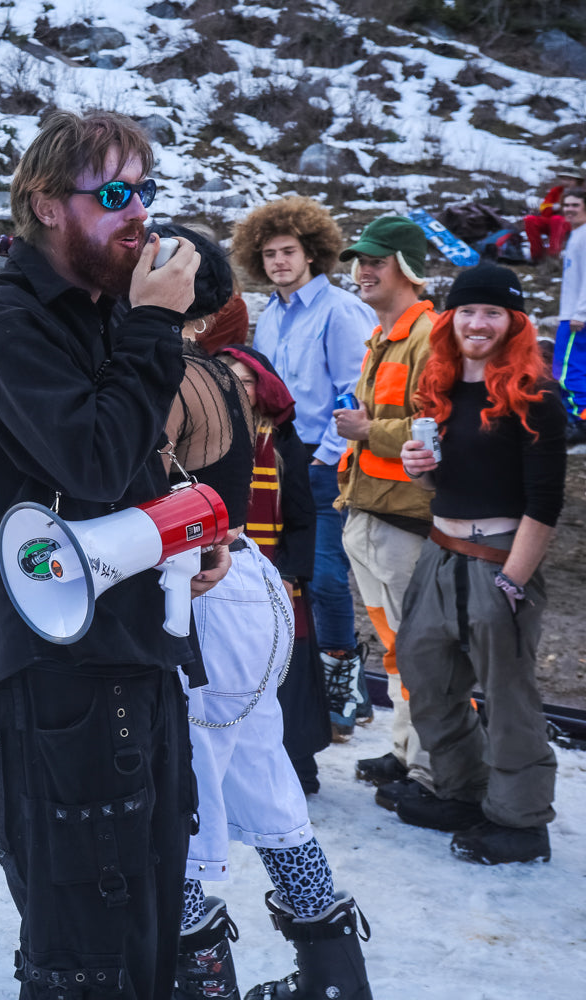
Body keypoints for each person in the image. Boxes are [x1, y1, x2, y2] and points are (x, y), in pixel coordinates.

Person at [0, 109, 227, 1000]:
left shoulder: (109, 314)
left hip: (131, 652)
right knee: (84, 953)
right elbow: (91, 455)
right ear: (46, 205)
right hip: (49, 676)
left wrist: (178, 540)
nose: (138, 212)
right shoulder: (3, 321)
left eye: (146, 190)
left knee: (145, 925)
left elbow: (121, 477)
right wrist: (153, 327)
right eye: (113, 194)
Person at [158, 223, 372, 1000]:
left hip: (205, 595)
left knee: (181, 797)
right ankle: (334, 975)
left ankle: (199, 981)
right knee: (262, 779)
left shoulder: (179, 376)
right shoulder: (219, 375)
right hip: (242, 584)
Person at [395, 263, 565, 866]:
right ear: (451, 319)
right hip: (439, 556)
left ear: (514, 323)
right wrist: (423, 467)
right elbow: (452, 476)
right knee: (428, 680)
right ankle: (465, 791)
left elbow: (546, 505)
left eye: (493, 312)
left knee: (508, 695)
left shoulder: (537, 397)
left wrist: (513, 582)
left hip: (500, 560)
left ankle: (520, 822)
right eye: (467, 311)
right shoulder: (438, 386)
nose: (478, 322)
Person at [234, 196, 375, 740]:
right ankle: (301, 686)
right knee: (288, 577)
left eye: (288, 251)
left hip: (325, 463)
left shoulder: (341, 311)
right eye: (268, 253)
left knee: (327, 578)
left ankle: (344, 688)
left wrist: (327, 458)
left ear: (313, 253)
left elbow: (356, 390)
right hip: (281, 464)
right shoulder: (270, 314)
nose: (278, 262)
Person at [330, 216, 441, 808]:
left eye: (377, 260)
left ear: (408, 267)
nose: (363, 271)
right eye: (359, 260)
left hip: (404, 523)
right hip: (371, 514)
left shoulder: (429, 335)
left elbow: (435, 428)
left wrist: (369, 430)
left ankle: (430, 769)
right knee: (397, 646)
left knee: (421, 650)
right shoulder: (386, 335)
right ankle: (404, 751)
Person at [219, 343, 331, 797]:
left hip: (276, 577)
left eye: (241, 381)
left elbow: (303, 519)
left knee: (286, 671)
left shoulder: (282, 442)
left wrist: (288, 576)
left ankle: (297, 766)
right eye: (222, 378)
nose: (232, 388)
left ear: (259, 388)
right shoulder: (205, 435)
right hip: (221, 578)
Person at [552, 187, 586, 437]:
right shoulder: (578, 234)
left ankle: (580, 420)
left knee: (567, 370)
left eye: (575, 205)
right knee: (581, 368)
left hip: (577, 318)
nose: (569, 210)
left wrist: (582, 312)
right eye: (566, 205)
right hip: (575, 313)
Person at [522, 166, 583, 263]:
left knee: (557, 219)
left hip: (573, 225)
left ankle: (553, 257)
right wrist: (554, 207)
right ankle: (537, 256)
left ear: (577, 181)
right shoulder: (556, 191)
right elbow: (544, 209)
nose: (566, 182)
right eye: (564, 179)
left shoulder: (584, 193)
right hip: (552, 221)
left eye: (570, 179)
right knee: (530, 220)